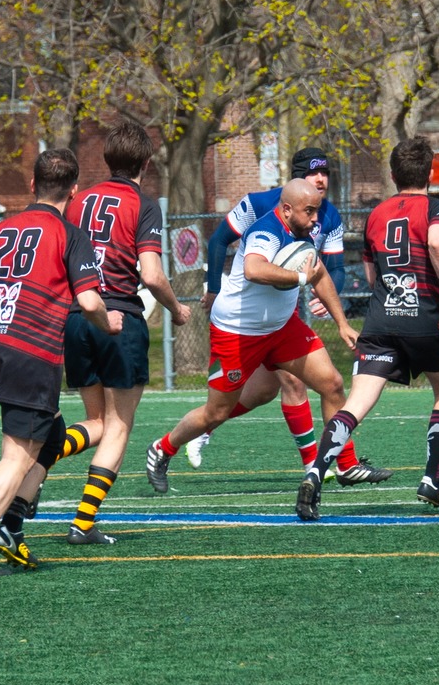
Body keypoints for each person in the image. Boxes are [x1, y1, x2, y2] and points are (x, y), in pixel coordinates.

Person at [0, 147, 114, 576]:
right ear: (74, 191)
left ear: (33, 185)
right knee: (16, 455)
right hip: (31, 348)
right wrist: (108, 323)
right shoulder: (70, 234)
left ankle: (11, 527)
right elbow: (89, 299)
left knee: (51, 435)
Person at [144, 178, 359, 494]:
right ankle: (163, 448)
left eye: (316, 211)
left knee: (332, 384)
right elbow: (253, 269)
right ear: (287, 209)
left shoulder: (304, 231)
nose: (316, 219)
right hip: (237, 332)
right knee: (215, 412)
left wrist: (342, 323)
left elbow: (321, 275)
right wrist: (301, 277)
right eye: (309, 211)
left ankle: (343, 465)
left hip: (282, 329)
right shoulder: (264, 231)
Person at [31, 125, 191, 548]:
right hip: (118, 317)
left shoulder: (77, 199)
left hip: (76, 318)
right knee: (118, 426)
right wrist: (177, 309)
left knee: (98, 423)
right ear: (146, 162)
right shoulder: (143, 203)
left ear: (107, 160)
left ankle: (39, 461)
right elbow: (152, 275)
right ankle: (82, 523)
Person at [192, 146, 387, 484]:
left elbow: (334, 268)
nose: (321, 179)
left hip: (283, 312)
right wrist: (213, 288)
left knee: (281, 389)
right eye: (314, 173)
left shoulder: (329, 215)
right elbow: (219, 241)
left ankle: (334, 463)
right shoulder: (258, 204)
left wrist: (330, 300)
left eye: (325, 172)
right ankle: (314, 462)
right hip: (246, 314)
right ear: (296, 178)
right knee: (287, 385)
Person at [297, 137, 439, 520]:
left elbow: (373, 273)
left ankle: (316, 472)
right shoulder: (438, 207)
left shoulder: (376, 214)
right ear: (431, 174)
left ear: (392, 175)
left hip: (381, 320)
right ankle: (432, 480)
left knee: (356, 403)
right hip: (423, 316)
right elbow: (435, 241)